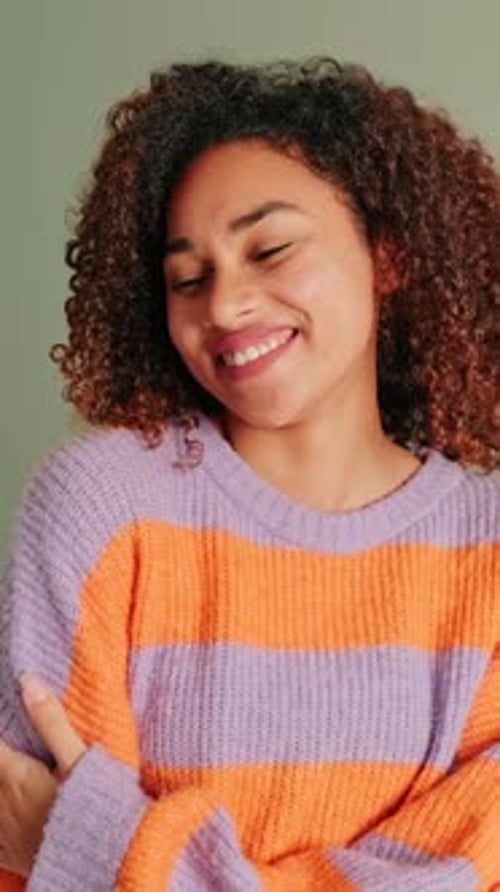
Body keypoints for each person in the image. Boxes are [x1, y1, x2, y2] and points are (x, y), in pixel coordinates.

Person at [0, 57, 498, 891]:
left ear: (389, 258)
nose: (224, 307)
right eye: (188, 278)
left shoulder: (489, 552)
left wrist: (97, 847)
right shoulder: (100, 510)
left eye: (269, 249)